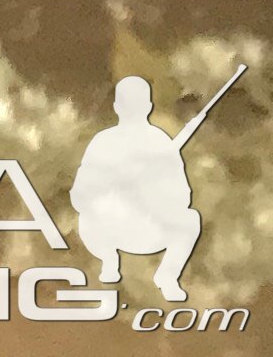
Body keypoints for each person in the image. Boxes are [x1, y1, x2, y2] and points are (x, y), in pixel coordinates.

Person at [70, 74, 207, 303]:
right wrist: (111, 190)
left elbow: (183, 197)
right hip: (109, 229)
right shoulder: (103, 142)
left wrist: (152, 192)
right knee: (87, 217)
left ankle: (168, 276)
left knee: (190, 220)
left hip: (150, 229)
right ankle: (109, 260)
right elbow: (79, 195)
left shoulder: (161, 143)